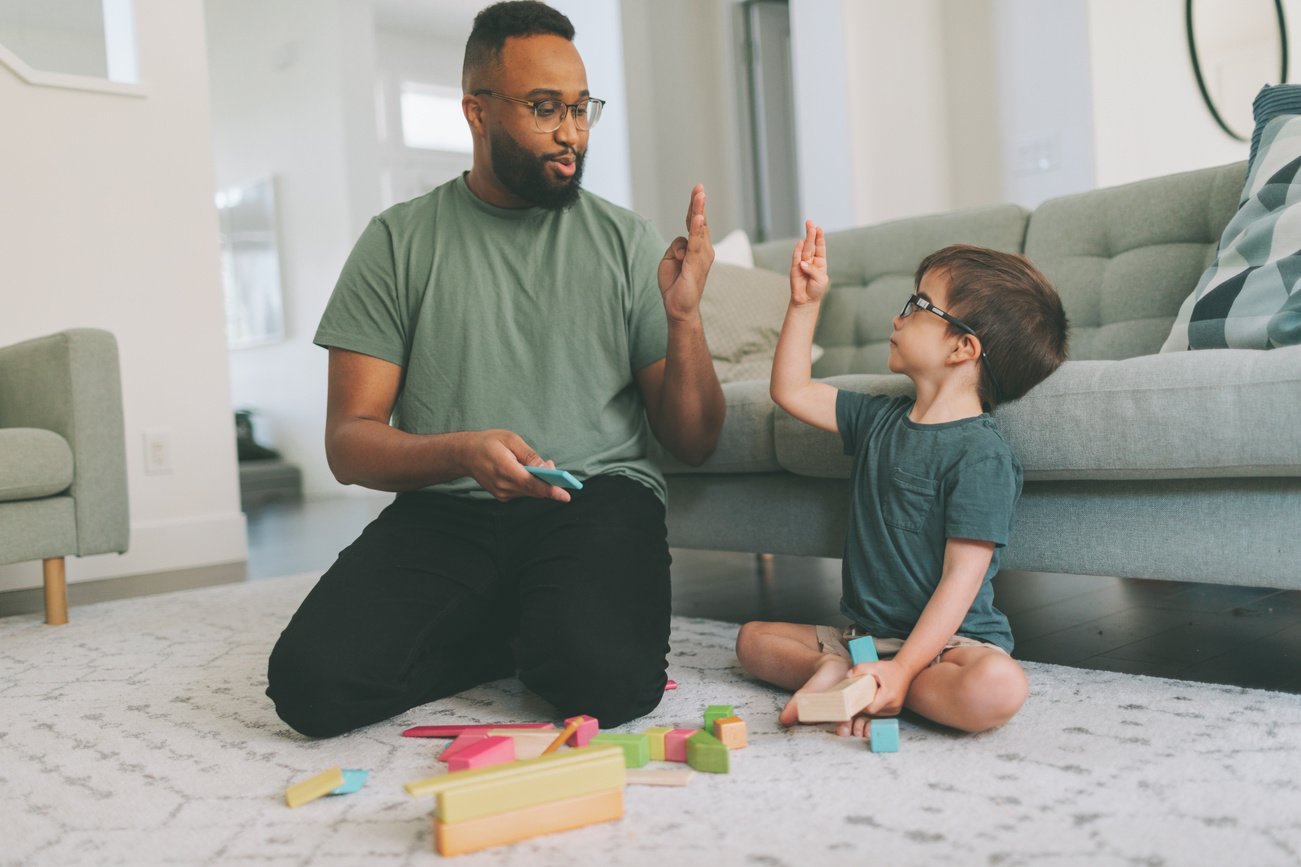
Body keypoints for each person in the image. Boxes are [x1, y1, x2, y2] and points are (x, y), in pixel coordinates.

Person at [266, 0, 725, 738]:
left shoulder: (627, 241)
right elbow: (348, 443)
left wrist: (683, 317)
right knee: (311, 687)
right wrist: (458, 450)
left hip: (595, 497)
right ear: (476, 113)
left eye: (580, 108)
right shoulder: (396, 243)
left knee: (603, 685)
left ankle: (533, 623)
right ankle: (515, 626)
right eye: (545, 108)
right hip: (448, 506)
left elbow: (694, 440)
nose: (571, 132)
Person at [735, 224, 1068, 738]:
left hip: (949, 647)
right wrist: (804, 305)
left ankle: (883, 687)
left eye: (918, 305)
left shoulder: (982, 456)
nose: (899, 315)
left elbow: (962, 580)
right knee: (753, 639)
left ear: (962, 348)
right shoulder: (878, 419)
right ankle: (845, 676)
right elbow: (792, 390)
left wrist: (906, 666)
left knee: (999, 687)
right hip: (865, 638)